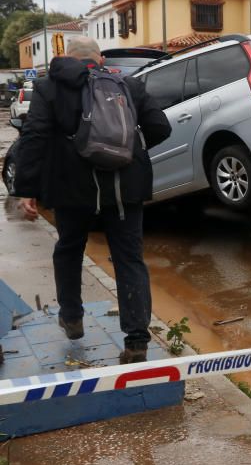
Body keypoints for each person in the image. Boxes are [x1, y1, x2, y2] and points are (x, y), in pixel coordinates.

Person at [13, 37, 171, 363]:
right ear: (99, 58)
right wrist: (126, 153)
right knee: (129, 260)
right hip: (124, 190)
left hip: (71, 191)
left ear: (65, 57)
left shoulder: (49, 87)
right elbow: (160, 127)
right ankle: (137, 341)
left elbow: (35, 135)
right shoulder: (128, 84)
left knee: (69, 250)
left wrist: (26, 188)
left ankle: (72, 318)